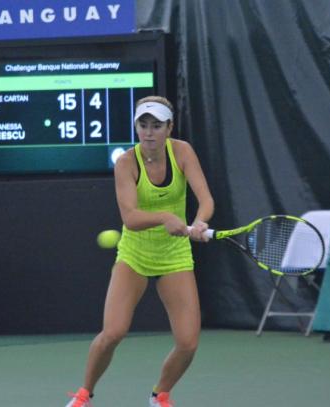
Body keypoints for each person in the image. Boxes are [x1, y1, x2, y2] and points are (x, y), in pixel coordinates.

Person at [65, 96, 214, 406]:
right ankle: (84, 394)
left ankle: (159, 395)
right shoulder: (126, 162)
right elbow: (130, 219)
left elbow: (206, 200)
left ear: (169, 127)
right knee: (113, 333)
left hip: (174, 256)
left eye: (156, 126)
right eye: (142, 125)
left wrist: (199, 222)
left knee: (188, 343)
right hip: (134, 256)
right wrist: (165, 217)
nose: (148, 133)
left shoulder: (183, 152)